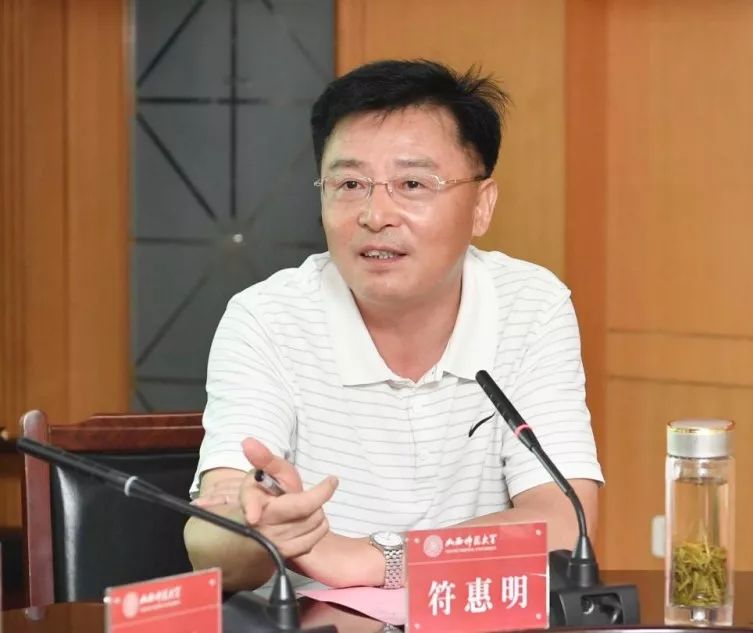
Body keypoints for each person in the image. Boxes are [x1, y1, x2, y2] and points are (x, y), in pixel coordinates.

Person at [183, 59, 603, 592]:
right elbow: (210, 542)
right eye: (349, 183)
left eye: (412, 183)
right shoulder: (267, 318)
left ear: (481, 206)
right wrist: (255, 529)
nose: (375, 214)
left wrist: (373, 560)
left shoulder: (531, 304)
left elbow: (563, 524)